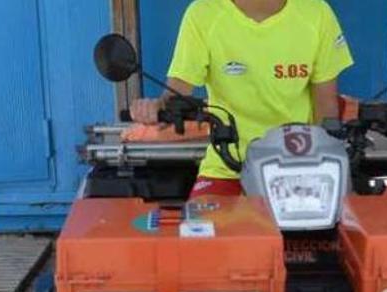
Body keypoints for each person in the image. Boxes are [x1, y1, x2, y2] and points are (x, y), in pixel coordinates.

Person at [130, 0, 354, 197]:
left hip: (298, 171)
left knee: (337, 237)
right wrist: (155, 108)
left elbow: (326, 109)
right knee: (201, 239)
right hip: (227, 169)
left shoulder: (316, 13)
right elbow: (175, 96)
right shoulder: (203, 14)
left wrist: (320, 168)